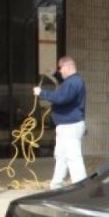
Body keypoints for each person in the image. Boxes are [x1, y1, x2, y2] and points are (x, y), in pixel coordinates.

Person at [33, 55, 87, 189]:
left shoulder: (73, 82)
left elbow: (61, 97)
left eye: (61, 68)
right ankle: (56, 185)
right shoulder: (72, 82)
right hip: (67, 126)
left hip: (70, 125)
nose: (60, 71)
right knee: (61, 156)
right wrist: (53, 75)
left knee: (73, 157)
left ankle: (82, 188)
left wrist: (42, 93)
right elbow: (63, 91)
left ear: (68, 67)